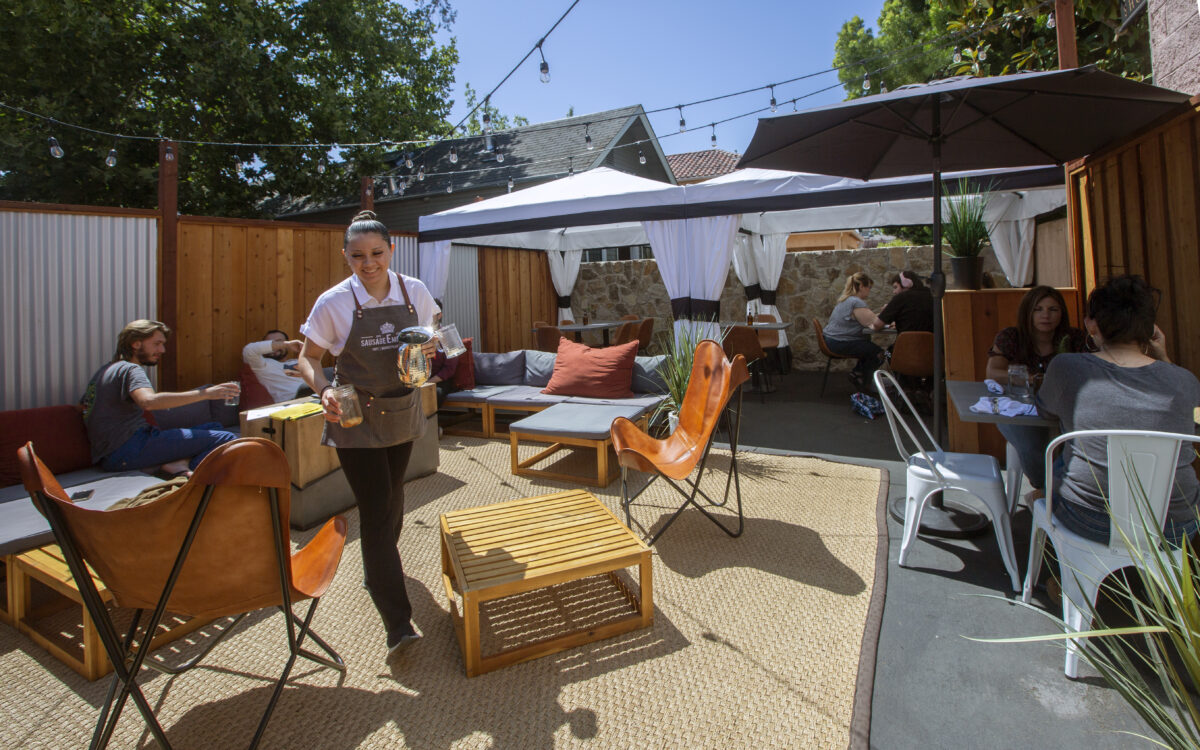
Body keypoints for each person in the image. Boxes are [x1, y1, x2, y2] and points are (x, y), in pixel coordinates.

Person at [297, 210, 440, 664]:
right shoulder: (333, 302)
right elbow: (308, 358)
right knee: (377, 509)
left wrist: (431, 344)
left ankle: (377, 570)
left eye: (377, 253)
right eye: (358, 256)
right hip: (354, 414)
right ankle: (397, 621)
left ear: (391, 251)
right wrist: (323, 391)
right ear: (346, 256)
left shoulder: (414, 291)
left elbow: (433, 336)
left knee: (394, 497)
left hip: (401, 409)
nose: (369, 263)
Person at [1038, 275, 1200, 544]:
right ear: (1150, 329)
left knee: (1063, 461)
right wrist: (1164, 358)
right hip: (1174, 527)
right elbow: (1196, 423)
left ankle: (1059, 564)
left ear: (1091, 325)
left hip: (1092, 521)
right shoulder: (1186, 381)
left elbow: (1045, 410)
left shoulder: (1067, 367)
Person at [80, 319, 239, 477]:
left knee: (214, 427)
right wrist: (206, 394)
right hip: (127, 449)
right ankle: (189, 481)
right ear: (136, 344)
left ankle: (176, 464)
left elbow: (83, 407)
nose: (162, 350)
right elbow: (148, 402)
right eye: (157, 344)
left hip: (117, 451)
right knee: (226, 438)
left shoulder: (104, 371)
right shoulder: (131, 369)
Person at [985, 286, 1090, 492]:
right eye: (1038, 309)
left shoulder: (1074, 339)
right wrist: (1033, 379)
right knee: (1032, 445)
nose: (1045, 316)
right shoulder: (1011, 337)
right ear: (1028, 312)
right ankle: (1046, 490)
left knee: (1082, 441)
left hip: (1063, 407)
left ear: (1062, 313)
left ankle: (1065, 490)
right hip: (1017, 407)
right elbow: (993, 372)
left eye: (1053, 309)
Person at [823, 271, 885, 391]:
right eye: (869, 287)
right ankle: (862, 379)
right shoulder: (856, 302)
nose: (869, 291)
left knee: (868, 348)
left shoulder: (846, 300)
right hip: (840, 342)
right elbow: (875, 324)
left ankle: (859, 375)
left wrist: (881, 315)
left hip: (831, 341)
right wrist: (886, 314)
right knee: (879, 354)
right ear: (861, 286)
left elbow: (868, 319)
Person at [242, 329, 306, 403]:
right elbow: (248, 350)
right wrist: (286, 344)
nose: (276, 347)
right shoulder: (262, 365)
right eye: (273, 343)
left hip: (312, 397)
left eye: (279, 341)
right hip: (292, 402)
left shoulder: (297, 361)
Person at [427, 304, 459, 409]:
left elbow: (450, 369)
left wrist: (428, 383)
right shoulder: (420, 334)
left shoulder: (449, 335)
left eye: (430, 313)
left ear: (439, 315)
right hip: (421, 379)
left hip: (441, 380)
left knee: (436, 393)